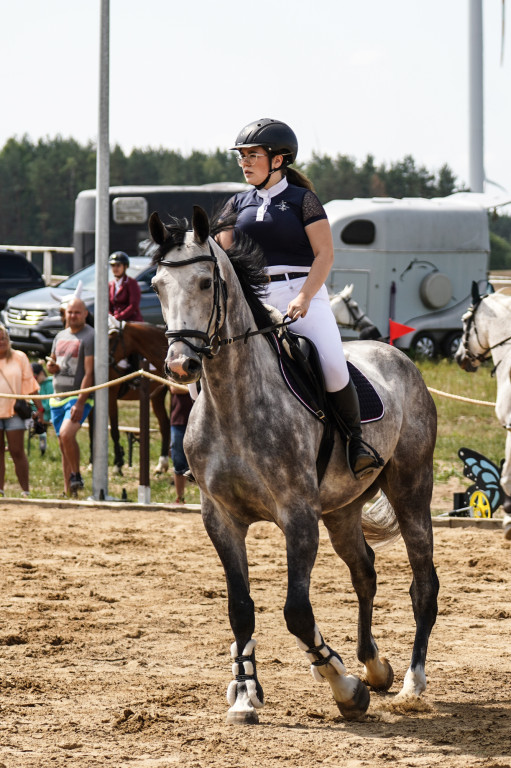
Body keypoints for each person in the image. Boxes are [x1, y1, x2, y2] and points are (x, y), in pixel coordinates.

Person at [218, 118, 380, 480]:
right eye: (241, 156)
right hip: (254, 297)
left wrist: (306, 296)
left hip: (299, 292)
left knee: (334, 368)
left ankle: (356, 443)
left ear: (278, 160)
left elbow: (325, 255)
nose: (244, 162)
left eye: (252, 155)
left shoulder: (302, 200)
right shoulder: (236, 203)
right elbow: (222, 256)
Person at [46, 298, 94, 496]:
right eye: (70, 312)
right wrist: (52, 367)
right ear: (65, 314)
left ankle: (76, 476)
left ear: (84, 314)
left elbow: (90, 372)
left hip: (77, 396)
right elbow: (54, 362)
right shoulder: (60, 336)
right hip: (58, 395)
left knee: (67, 434)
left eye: (77, 312)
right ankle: (69, 491)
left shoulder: (90, 336)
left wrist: (81, 402)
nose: (73, 315)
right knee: (62, 443)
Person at [0, 323, 39, 496]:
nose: (1, 341)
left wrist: (40, 408)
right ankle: (0, 490)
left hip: (14, 411)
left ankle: (25, 491)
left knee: (17, 451)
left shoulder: (19, 357)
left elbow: (29, 383)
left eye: (3, 338)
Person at [169, 383, 194, 503]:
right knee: (178, 460)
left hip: (199, 420)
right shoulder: (174, 365)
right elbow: (174, 388)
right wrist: (195, 388)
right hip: (179, 419)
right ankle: (180, 498)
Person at [108, 251, 143, 321]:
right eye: (113, 265)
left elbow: (133, 305)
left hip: (131, 321)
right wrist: (111, 317)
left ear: (125, 266)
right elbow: (108, 306)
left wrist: (118, 317)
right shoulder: (110, 284)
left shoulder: (132, 283)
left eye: (118, 265)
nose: (115, 268)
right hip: (115, 321)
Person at [31, 362, 53, 455]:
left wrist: (39, 409)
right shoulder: (38, 386)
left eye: (35, 378)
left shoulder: (49, 384)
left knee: (40, 426)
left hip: (46, 414)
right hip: (37, 412)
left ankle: (42, 448)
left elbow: (49, 404)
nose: (34, 381)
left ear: (41, 373)